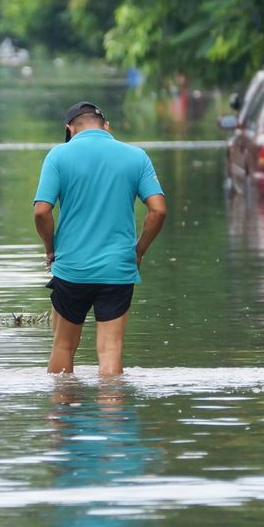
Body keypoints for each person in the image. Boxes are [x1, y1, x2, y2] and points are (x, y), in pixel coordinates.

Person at [33, 101, 168, 376]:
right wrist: (139, 250)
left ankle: (63, 414)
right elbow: (158, 210)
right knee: (110, 350)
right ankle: (113, 415)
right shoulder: (136, 156)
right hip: (118, 268)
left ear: (69, 129)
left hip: (71, 267)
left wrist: (51, 249)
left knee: (63, 348)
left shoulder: (58, 156)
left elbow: (41, 212)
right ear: (107, 127)